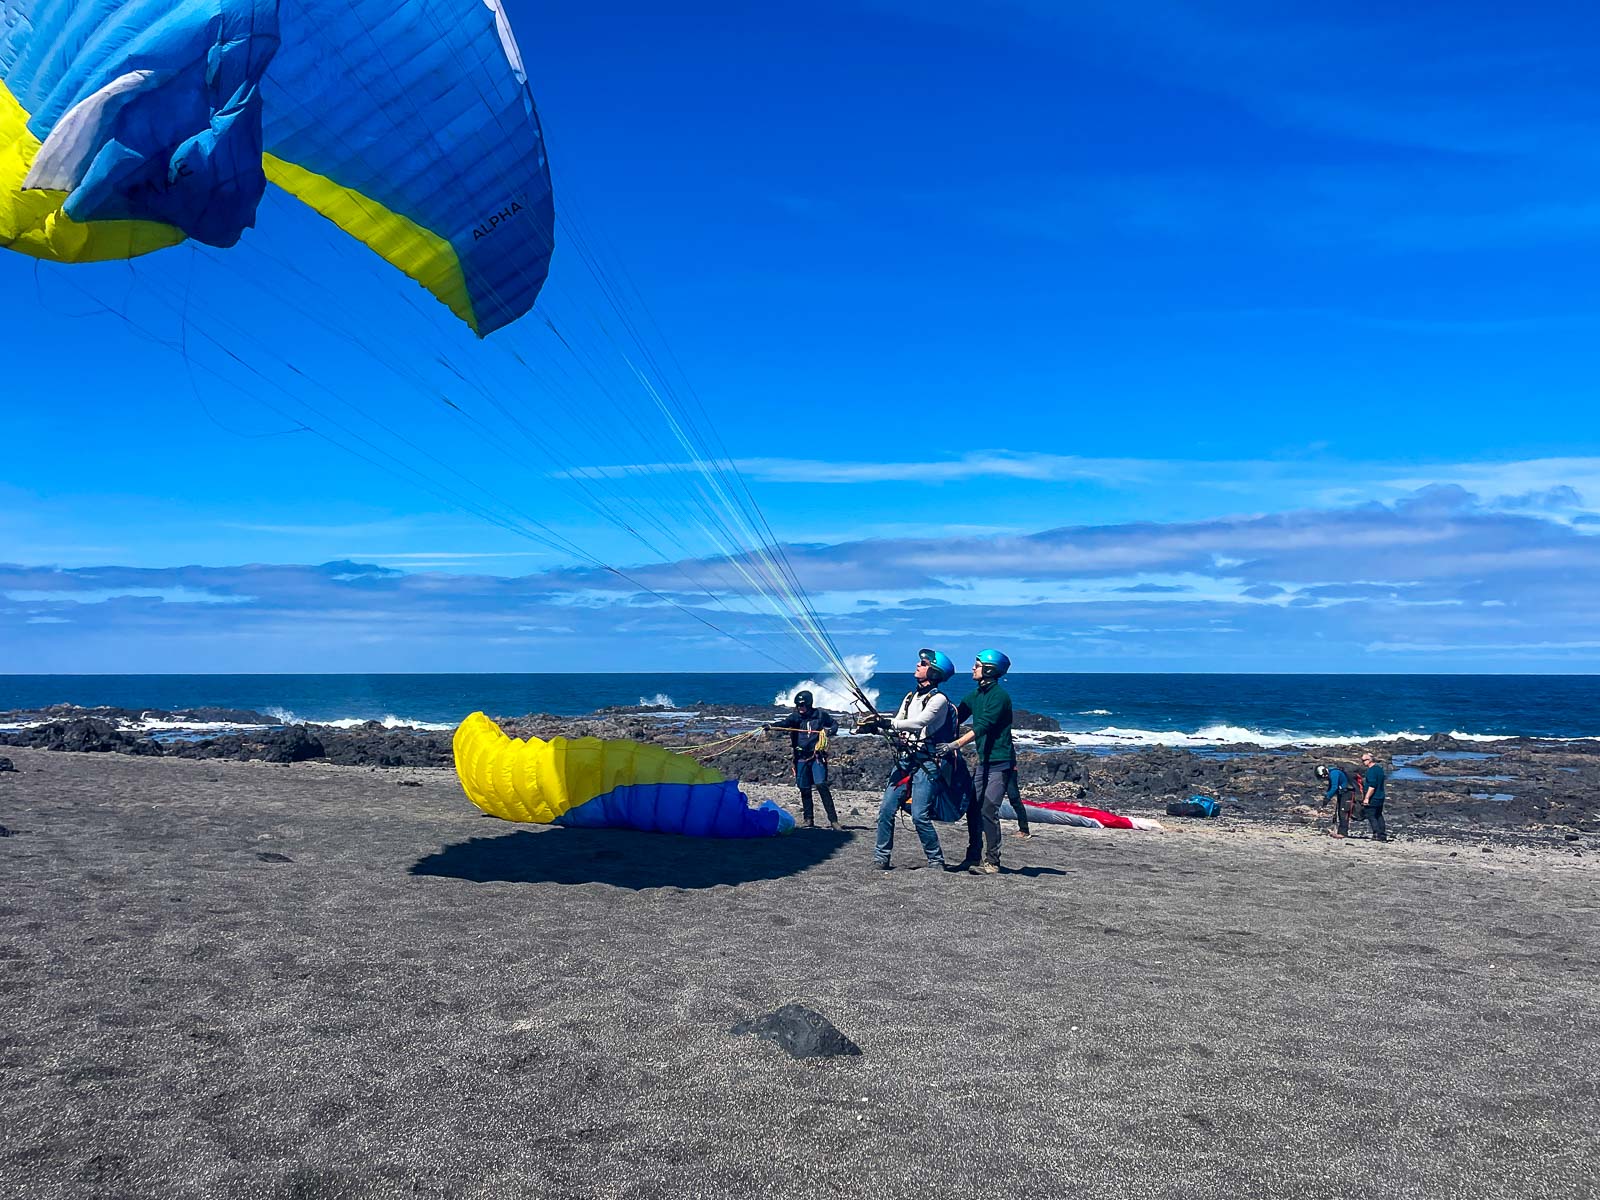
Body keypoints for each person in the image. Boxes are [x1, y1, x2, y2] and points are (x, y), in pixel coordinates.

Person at [863, 648, 961, 871]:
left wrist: (888, 723)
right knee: (886, 809)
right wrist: (875, 728)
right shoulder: (910, 697)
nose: (918, 665)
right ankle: (881, 857)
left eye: (924, 663)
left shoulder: (939, 700)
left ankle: (936, 860)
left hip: (927, 763)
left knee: (919, 815)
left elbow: (919, 723)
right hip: (906, 760)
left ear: (934, 672)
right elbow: (898, 724)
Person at [938, 649, 1016, 875]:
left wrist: (954, 745)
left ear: (990, 670)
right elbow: (955, 716)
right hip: (984, 762)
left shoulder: (999, 696)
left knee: (989, 809)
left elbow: (982, 727)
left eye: (978, 665)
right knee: (973, 808)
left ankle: (993, 862)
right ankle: (973, 857)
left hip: (1001, 762)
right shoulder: (976, 695)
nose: (973, 668)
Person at [765, 690, 839, 830]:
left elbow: (834, 724)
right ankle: (808, 819)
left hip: (817, 756)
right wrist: (770, 726)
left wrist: (829, 731)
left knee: (821, 785)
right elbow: (784, 723)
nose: (800, 707)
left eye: (802, 705)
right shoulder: (795, 717)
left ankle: (833, 820)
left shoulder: (820, 715)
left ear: (809, 704)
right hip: (801, 757)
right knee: (804, 788)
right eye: (798, 705)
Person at [1315, 763, 1352, 838]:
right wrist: (1326, 797)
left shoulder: (1334, 773)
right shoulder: (1331, 773)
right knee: (1340, 812)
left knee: (1343, 812)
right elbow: (1331, 787)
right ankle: (1340, 831)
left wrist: (1328, 797)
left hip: (1346, 793)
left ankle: (1343, 833)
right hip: (1341, 793)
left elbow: (1334, 787)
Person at [1359, 751, 1388, 841]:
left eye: (1364, 760)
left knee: (1371, 815)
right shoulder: (1379, 769)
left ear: (1370, 760)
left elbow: (1372, 786)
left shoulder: (1371, 771)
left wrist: (1366, 798)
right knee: (1378, 815)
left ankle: (1377, 833)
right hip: (1380, 796)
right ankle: (1382, 834)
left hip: (1373, 797)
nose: (1363, 762)